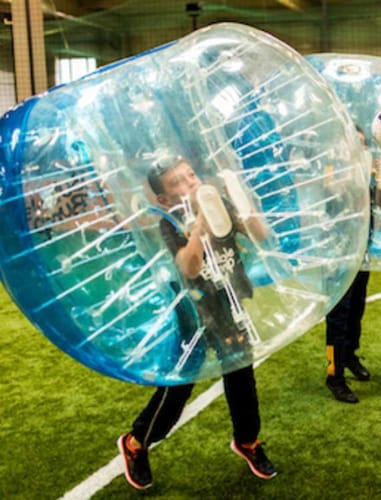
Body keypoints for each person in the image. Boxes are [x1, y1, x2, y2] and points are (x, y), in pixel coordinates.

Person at [118, 157, 276, 490]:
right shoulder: (170, 223)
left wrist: (239, 197)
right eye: (178, 182)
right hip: (196, 306)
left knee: (240, 369)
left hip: (228, 300)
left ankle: (247, 440)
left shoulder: (220, 204)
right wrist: (200, 225)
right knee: (183, 380)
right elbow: (189, 267)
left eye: (191, 175)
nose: (190, 183)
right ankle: (137, 441)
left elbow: (259, 234)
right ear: (164, 199)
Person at [324, 127, 374, 403]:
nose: (360, 149)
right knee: (338, 317)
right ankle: (335, 375)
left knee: (356, 310)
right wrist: (354, 174)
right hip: (337, 257)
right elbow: (332, 190)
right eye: (354, 144)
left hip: (361, 253)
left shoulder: (367, 173)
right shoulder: (333, 170)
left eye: (363, 144)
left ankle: (350, 355)